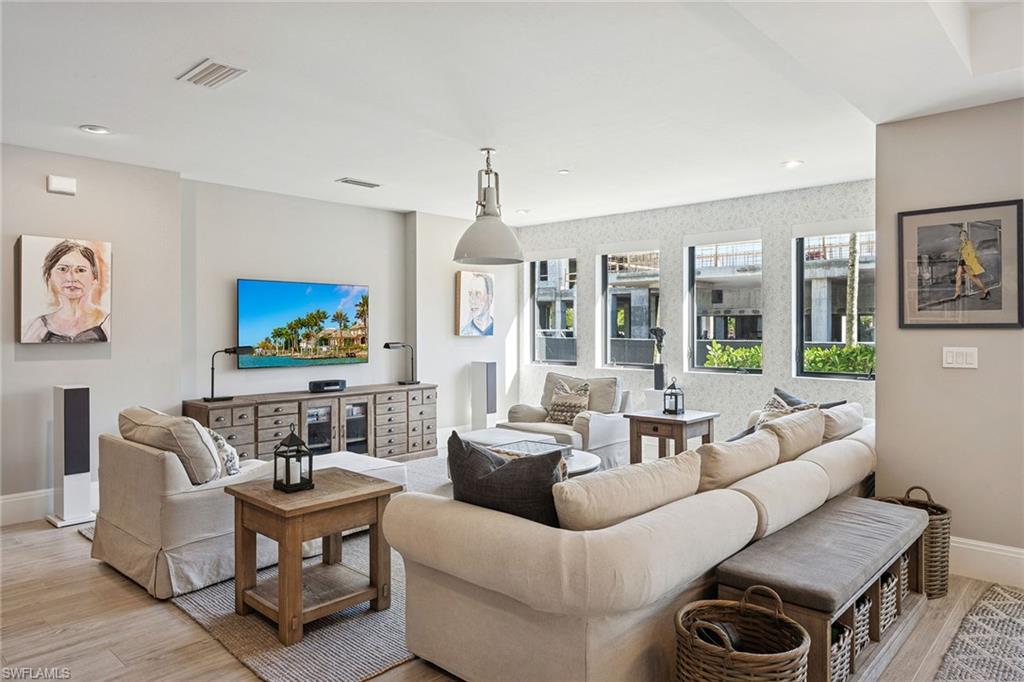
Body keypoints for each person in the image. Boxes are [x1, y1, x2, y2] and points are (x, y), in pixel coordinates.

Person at [22, 240, 110, 343]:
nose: (71, 278)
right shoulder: (40, 326)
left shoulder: (108, 322)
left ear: (94, 279)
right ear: (50, 277)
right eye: (63, 269)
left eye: (81, 270)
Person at [955, 228, 991, 301]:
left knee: (974, 278)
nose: (963, 236)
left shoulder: (969, 243)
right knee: (957, 276)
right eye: (962, 235)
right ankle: (957, 293)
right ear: (959, 237)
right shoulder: (962, 244)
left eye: (965, 235)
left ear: (967, 236)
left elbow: (972, 254)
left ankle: (986, 291)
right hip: (961, 262)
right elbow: (961, 254)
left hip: (967, 263)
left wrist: (970, 265)